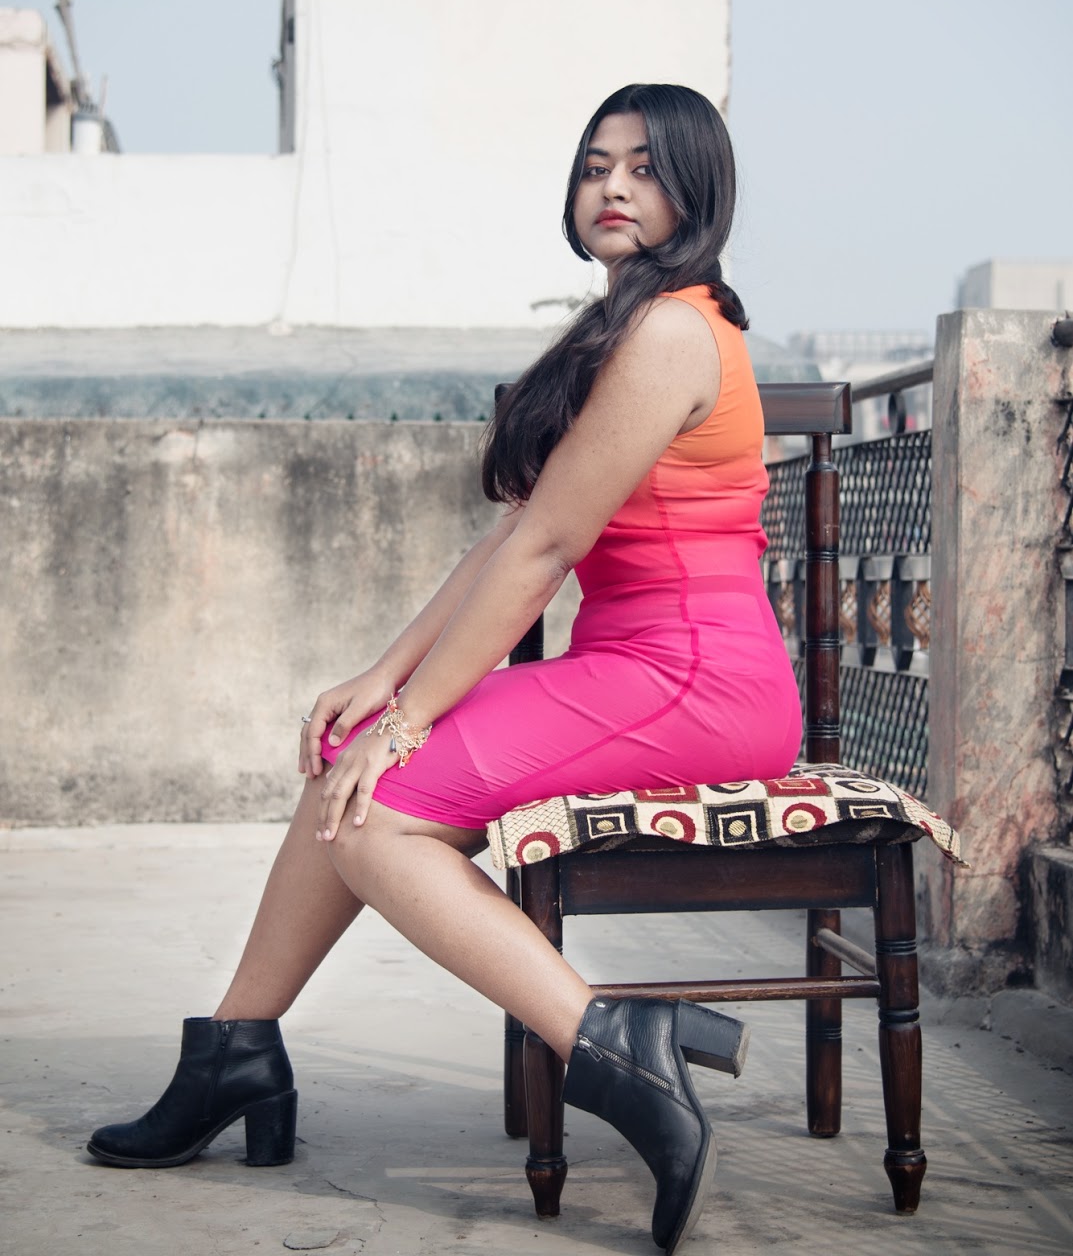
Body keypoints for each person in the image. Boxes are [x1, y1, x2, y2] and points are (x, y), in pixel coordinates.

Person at [86, 83, 801, 1255]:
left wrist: (411, 721)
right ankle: (237, 1049)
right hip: (639, 667)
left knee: (377, 808)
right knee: (345, 754)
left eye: (643, 167)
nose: (612, 187)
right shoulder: (625, 326)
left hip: (693, 679)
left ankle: (613, 1043)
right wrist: (385, 680)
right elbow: (514, 534)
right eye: (594, 165)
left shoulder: (675, 331)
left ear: (697, 192)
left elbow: (546, 550)